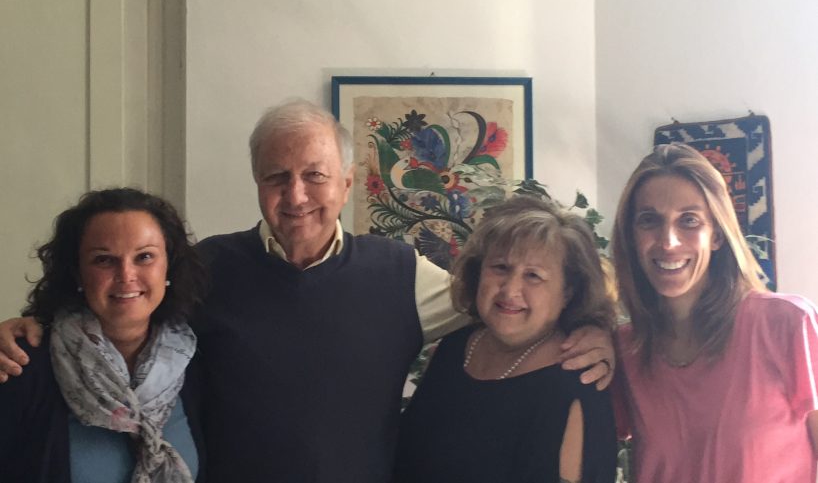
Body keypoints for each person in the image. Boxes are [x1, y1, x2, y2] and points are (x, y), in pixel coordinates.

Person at [0, 99, 614, 483]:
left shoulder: (400, 273)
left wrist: (593, 329)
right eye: (277, 176)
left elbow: (501, 305)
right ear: (256, 182)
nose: (295, 195)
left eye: (315, 176)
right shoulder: (208, 267)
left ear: (345, 184)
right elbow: (120, 300)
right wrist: (29, 328)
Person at [611, 143, 818, 482]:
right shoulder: (624, 348)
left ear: (717, 235)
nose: (668, 241)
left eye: (689, 220)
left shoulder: (787, 323)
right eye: (649, 221)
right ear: (631, 237)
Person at [394, 196, 617, 483]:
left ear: (568, 292)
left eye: (533, 275)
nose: (510, 290)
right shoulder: (453, 348)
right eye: (500, 267)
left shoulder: (577, 379)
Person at [0, 188, 206, 482]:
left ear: (168, 267)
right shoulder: (20, 365)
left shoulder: (194, 361)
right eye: (104, 260)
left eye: (144, 257)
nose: (126, 275)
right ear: (77, 272)